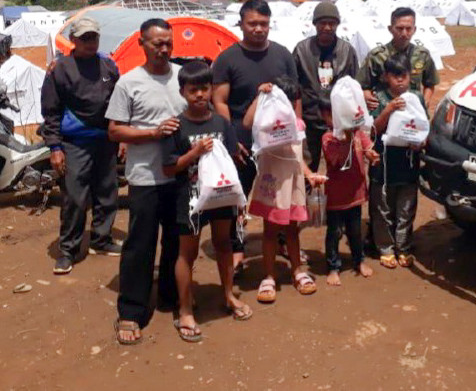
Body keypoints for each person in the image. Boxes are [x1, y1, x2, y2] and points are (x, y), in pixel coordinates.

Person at [106, 18, 187, 345]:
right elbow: (114, 130)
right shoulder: (129, 83)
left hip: (180, 175)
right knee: (140, 244)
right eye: (157, 43)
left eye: (168, 42)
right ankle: (131, 310)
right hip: (145, 177)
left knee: (176, 241)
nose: (164, 49)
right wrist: (152, 133)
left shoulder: (183, 76)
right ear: (142, 43)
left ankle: (169, 296)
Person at [161, 61, 252, 343]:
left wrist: (239, 200)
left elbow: (232, 161)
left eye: (204, 88)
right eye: (193, 90)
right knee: (186, 253)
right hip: (189, 197)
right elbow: (168, 167)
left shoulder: (222, 123)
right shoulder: (176, 125)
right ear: (182, 92)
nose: (199, 95)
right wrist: (195, 153)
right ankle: (185, 309)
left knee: (224, 245)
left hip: (222, 195)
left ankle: (228, 295)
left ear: (212, 89)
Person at [212, 0, 299, 273]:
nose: (259, 29)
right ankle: (237, 249)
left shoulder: (283, 55)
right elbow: (220, 101)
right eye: (253, 23)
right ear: (241, 24)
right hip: (242, 141)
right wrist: (229, 138)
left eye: (263, 23)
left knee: (282, 194)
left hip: (280, 143)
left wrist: (297, 132)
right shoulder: (227, 58)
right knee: (238, 197)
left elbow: (295, 96)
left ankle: (284, 242)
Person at [40, 17, 121, 275]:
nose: (90, 42)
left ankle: (101, 239)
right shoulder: (60, 69)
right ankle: (68, 250)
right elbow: (50, 112)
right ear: (73, 40)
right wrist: (55, 147)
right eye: (85, 38)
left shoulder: (108, 66)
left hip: (106, 141)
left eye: (94, 37)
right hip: (74, 143)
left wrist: (122, 138)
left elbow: (119, 105)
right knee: (75, 198)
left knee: (107, 192)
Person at [241, 76, 326, 303]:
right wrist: (261, 96)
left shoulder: (298, 125)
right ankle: (268, 276)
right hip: (273, 184)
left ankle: (297, 271)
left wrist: (310, 175)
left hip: (294, 184)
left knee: (292, 230)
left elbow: (298, 156)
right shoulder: (264, 124)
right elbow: (247, 123)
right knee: (270, 231)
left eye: (293, 100)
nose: (290, 105)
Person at [369, 54, 426, 269]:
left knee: (406, 206)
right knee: (382, 205)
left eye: (404, 76)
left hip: (408, 161)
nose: (400, 81)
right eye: (395, 76)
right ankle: (385, 247)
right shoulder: (378, 97)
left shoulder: (416, 97)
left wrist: (419, 143)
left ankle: (404, 246)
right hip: (383, 161)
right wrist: (389, 109)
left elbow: (422, 126)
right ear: (385, 77)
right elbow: (373, 129)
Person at [292, 2, 359, 172]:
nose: (327, 27)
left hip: (338, 120)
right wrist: (297, 119)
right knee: (307, 166)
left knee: (340, 167)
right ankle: (305, 197)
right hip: (309, 119)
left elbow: (354, 85)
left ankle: (337, 199)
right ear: (315, 24)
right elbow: (294, 86)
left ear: (337, 24)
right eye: (322, 23)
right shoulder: (301, 50)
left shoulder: (347, 51)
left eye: (332, 23)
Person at [319, 93, 378, 286]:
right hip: (337, 196)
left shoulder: (357, 133)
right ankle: (333, 267)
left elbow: (368, 147)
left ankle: (358, 261)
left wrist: (372, 155)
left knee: (355, 231)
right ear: (325, 116)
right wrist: (347, 138)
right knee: (334, 232)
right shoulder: (328, 138)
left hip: (356, 192)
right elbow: (337, 161)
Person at [356, 6, 439, 110]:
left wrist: (425, 101)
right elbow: (362, 85)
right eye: (399, 28)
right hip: (384, 111)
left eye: (408, 29)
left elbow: (430, 83)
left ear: (414, 29)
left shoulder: (422, 55)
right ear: (390, 29)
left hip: (412, 110)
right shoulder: (377, 56)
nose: (404, 33)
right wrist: (367, 96)